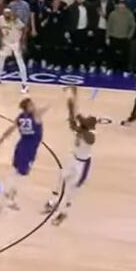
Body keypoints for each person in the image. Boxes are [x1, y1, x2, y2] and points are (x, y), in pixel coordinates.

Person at [43, 87, 97, 226]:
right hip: (73, 159)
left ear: (91, 125)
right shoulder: (81, 129)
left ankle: (63, 213)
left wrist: (76, 114)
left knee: (71, 190)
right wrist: (70, 105)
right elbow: (74, 122)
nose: (85, 119)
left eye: (88, 120)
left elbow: (82, 128)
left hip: (82, 165)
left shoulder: (91, 135)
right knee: (61, 177)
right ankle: (52, 202)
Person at [0, 97, 47, 213]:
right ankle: (7, 197)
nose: (34, 106)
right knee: (20, 175)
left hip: (21, 145)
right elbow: (47, 107)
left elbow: (9, 130)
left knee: (15, 172)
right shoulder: (36, 116)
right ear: (27, 108)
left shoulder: (20, 117)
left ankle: (8, 197)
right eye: (31, 105)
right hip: (29, 148)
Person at [0, 7, 30, 92]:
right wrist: (0, 40)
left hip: (16, 42)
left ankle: (24, 84)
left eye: (8, 13)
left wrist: (22, 43)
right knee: (1, 59)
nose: (7, 15)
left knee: (20, 62)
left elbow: (25, 29)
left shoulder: (16, 21)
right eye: (5, 13)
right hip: (6, 42)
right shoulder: (0, 19)